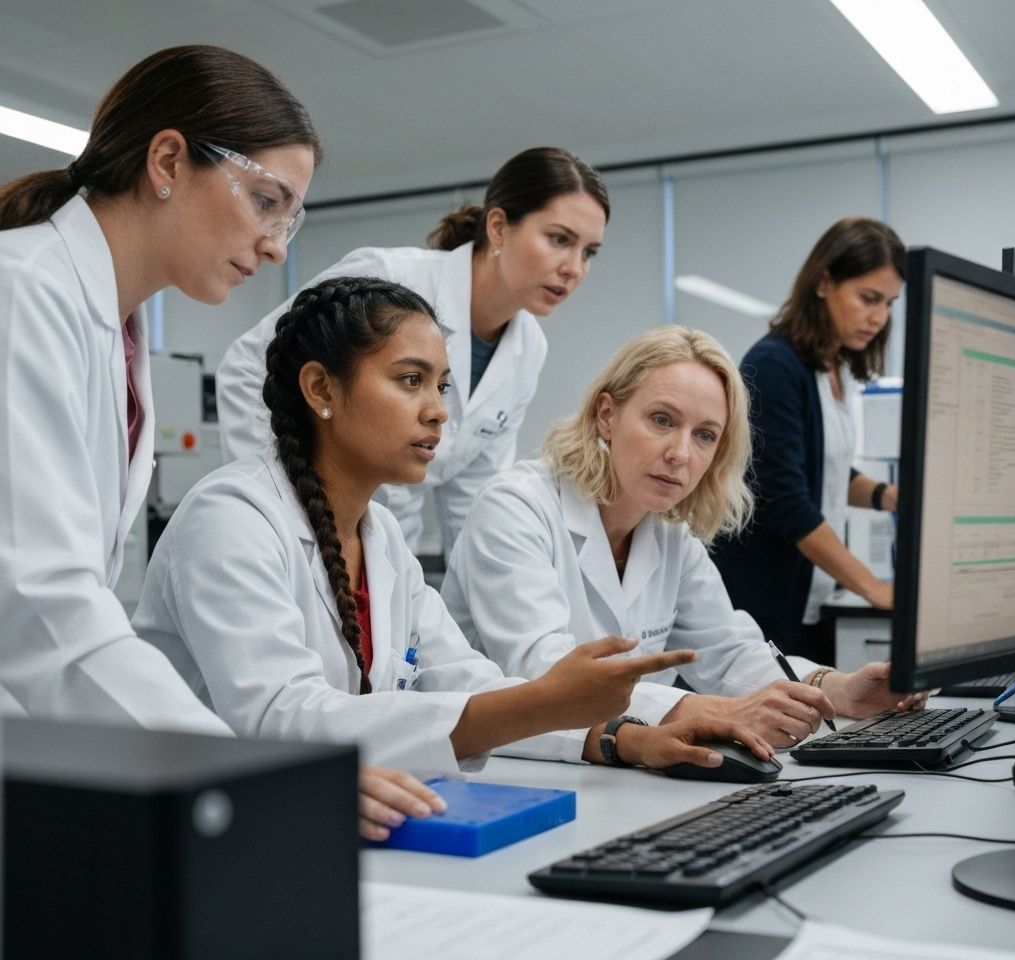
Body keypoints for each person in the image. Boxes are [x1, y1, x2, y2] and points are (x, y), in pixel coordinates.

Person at [133, 279, 750, 838]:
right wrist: (550, 701)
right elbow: (281, 718)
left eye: (442, 386)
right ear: (322, 388)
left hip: (316, 823)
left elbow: (466, 681)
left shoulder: (381, 543)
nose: (438, 410)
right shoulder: (232, 518)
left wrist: (622, 740)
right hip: (185, 830)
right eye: (410, 381)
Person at [0, 44, 318, 735]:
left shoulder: (120, 330)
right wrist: (227, 765)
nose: (275, 248)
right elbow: (40, 602)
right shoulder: (21, 290)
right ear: (168, 162)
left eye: (289, 219)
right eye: (266, 202)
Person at [442, 326, 924, 765]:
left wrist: (838, 690)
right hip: (507, 772)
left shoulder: (668, 532)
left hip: (618, 772)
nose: (680, 454)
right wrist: (709, 710)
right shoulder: (515, 508)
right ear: (607, 415)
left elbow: (729, 653)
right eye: (661, 420)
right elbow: (546, 676)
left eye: (705, 435)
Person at [216, 146, 610, 557]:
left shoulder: (528, 348)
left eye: (589, 252)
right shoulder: (388, 279)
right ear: (498, 227)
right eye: (559, 239)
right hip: (297, 526)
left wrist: (484, 590)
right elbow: (248, 367)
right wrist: (277, 507)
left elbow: (472, 496)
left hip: (386, 546)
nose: (574, 268)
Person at [711, 217, 905, 664]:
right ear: (824, 283)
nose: (879, 317)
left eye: (890, 304)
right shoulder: (775, 366)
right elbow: (786, 499)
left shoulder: (832, 369)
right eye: (868, 298)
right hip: (763, 599)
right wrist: (872, 586)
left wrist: (888, 497)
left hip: (811, 595)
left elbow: (825, 468)